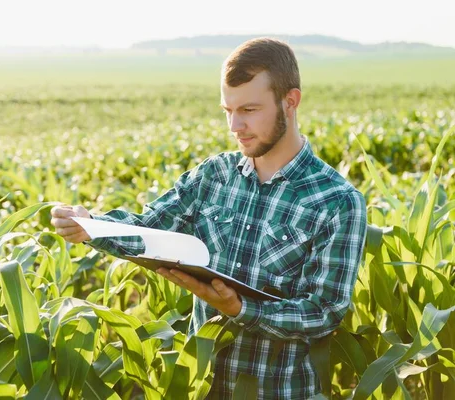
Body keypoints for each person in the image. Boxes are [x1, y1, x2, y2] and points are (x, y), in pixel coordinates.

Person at [51, 37, 367, 399]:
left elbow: (323, 312)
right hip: (201, 388)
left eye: (249, 110)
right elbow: (149, 227)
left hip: (281, 391)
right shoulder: (213, 176)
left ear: (290, 101)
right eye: (227, 110)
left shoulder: (337, 201)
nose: (235, 125)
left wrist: (240, 309)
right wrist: (90, 224)